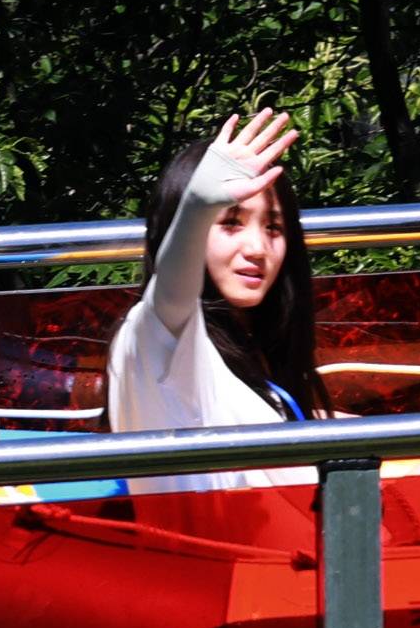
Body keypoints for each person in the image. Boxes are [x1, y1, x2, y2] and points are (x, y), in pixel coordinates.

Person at [109, 109, 326, 464]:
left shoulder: (253, 347)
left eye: (273, 228)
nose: (257, 249)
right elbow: (170, 295)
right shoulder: (154, 340)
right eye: (230, 222)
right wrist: (196, 209)